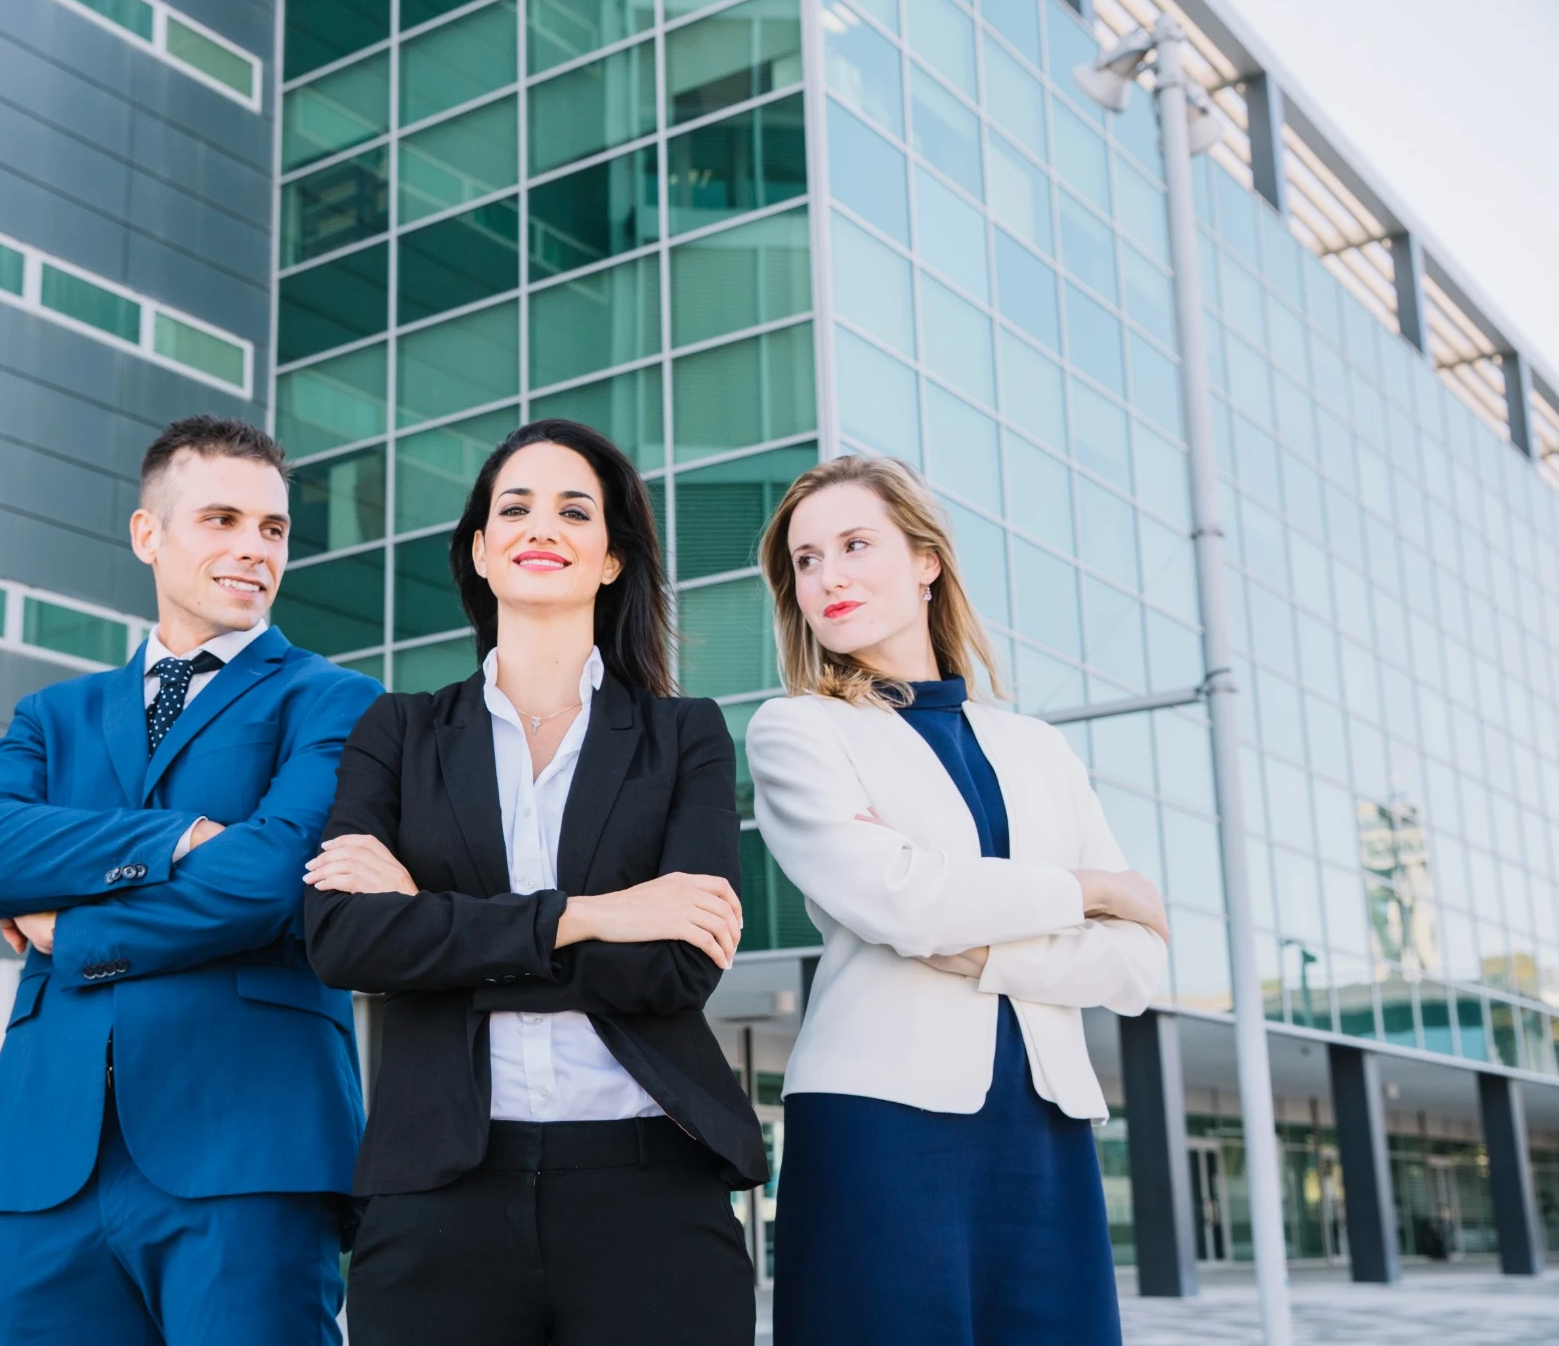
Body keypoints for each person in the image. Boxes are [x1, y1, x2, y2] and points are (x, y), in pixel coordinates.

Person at [301, 420, 767, 1346]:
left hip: (651, 1190)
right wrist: (598, 914)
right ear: (480, 550)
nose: (539, 525)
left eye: (573, 509)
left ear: (610, 558)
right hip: (438, 1192)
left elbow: (677, 964)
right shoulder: (396, 730)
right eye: (514, 507)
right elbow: (345, 941)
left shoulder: (685, 736)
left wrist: (435, 929)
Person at [0, 416, 381, 1346]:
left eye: (273, 529)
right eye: (221, 519)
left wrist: (71, 927)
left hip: (249, 1147)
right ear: (149, 535)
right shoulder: (54, 715)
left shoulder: (334, 699)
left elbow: (270, 877)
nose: (253, 549)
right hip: (46, 1161)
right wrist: (175, 835)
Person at [745, 455, 1170, 1345]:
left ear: (926, 558)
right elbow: (900, 899)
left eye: (855, 544)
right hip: (878, 1131)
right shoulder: (798, 730)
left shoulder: (1040, 746)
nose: (829, 575)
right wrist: (1089, 890)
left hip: (1045, 1138)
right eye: (807, 560)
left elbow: (1139, 962)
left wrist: (988, 952)